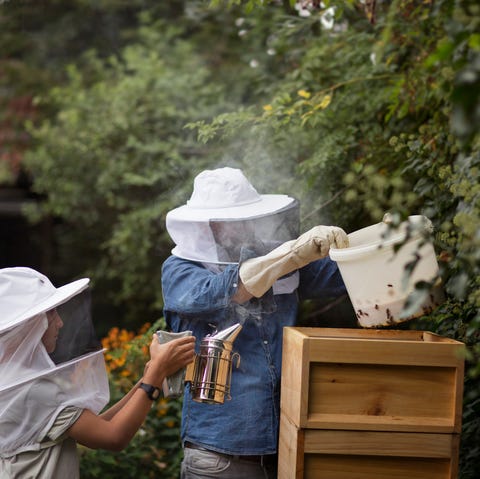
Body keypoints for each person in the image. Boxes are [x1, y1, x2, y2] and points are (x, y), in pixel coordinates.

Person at [161, 167, 350, 478]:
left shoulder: (280, 260)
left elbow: (345, 275)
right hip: (218, 455)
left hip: (285, 450)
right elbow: (227, 291)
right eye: (235, 221)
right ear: (211, 224)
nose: (245, 227)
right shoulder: (179, 270)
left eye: (247, 218)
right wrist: (290, 254)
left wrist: (393, 244)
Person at [0, 266, 195, 479]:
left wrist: (148, 377)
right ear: (29, 325)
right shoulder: (35, 390)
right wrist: (156, 373)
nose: (60, 322)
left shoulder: (13, 382)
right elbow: (113, 437)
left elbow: (98, 426)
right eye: (51, 313)